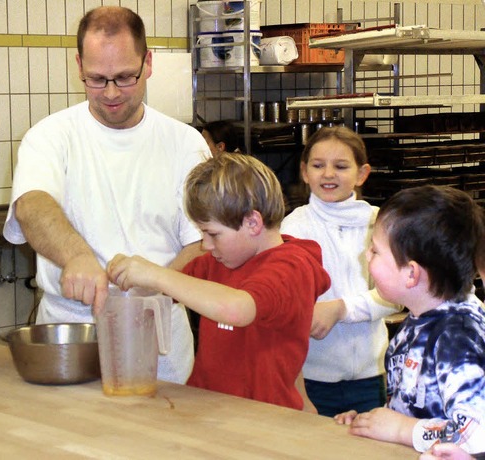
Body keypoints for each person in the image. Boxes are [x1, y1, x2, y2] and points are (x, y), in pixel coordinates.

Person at [3, 6, 211, 383]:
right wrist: (77, 257)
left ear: (148, 63)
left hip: (158, 340)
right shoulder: (50, 136)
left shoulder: (184, 144)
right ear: (79, 66)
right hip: (72, 336)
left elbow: (202, 243)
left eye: (125, 77)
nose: (111, 93)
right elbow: (32, 205)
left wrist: (154, 291)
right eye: (97, 79)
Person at [106, 154, 330, 408]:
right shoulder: (218, 261)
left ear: (253, 222)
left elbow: (237, 309)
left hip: (263, 419)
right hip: (207, 408)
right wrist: (128, 277)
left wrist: (156, 275)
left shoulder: (292, 266)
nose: (205, 244)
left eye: (212, 233)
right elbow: (168, 290)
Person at [334, 185, 485, 455]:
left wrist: (401, 430)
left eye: (375, 250)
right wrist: (374, 424)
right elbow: (416, 408)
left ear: (411, 274)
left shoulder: (457, 336)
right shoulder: (422, 318)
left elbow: (477, 433)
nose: (365, 255)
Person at [280, 126, 402, 416]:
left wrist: (341, 309)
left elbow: (396, 296)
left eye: (341, 166)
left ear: (362, 174)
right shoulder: (293, 229)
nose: (328, 174)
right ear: (304, 172)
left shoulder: (380, 224)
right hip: (311, 379)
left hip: (372, 376)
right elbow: (285, 304)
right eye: (318, 165)